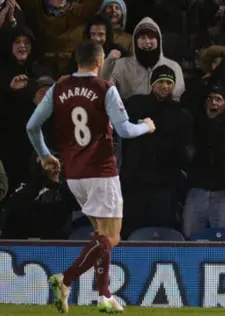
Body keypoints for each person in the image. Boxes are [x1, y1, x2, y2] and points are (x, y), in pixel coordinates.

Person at [26, 40, 156, 313]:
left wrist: (46, 155)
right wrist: (146, 126)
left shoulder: (58, 87)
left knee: (100, 236)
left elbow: (32, 125)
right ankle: (66, 279)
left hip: (74, 174)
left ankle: (104, 294)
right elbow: (125, 131)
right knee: (112, 237)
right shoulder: (105, 89)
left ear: (77, 60)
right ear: (99, 62)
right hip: (101, 171)